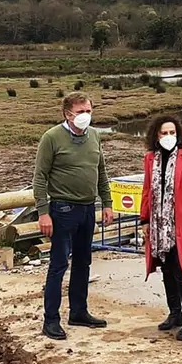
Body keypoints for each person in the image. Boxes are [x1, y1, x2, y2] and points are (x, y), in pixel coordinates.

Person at [32, 91, 114, 341]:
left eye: (89, 111)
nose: (85, 116)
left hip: (88, 209)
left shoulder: (94, 136)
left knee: (83, 263)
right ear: (67, 114)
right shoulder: (52, 138)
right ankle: (51, 320)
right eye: (80, 112)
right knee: (58, 265)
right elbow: (39, 177)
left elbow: (101, 171)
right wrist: (43, 213)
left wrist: (107, 202)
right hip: (63, 210)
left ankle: (79, 311)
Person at [139, 114, 182, 341]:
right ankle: (174, 314)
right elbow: (147, 190)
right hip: (159, 226)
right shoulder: (151, 158)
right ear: (155, 135)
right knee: (167, 269)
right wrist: (145, 220)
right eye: (164, 133)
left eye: (172, 132)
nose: (168, 136)